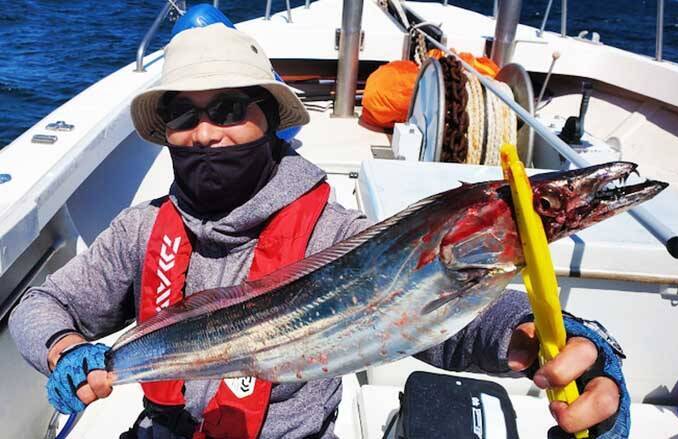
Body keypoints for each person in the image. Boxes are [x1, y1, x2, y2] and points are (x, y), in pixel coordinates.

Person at [9, 23, 629, 439]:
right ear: (165, 132)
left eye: (228, 110)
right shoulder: (141, 229)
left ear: (269, 119)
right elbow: (40, 305)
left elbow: (437, 316)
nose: (205, 135)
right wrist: (65, 350)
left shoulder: (335, 232)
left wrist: (555, 339)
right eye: (182, 115)